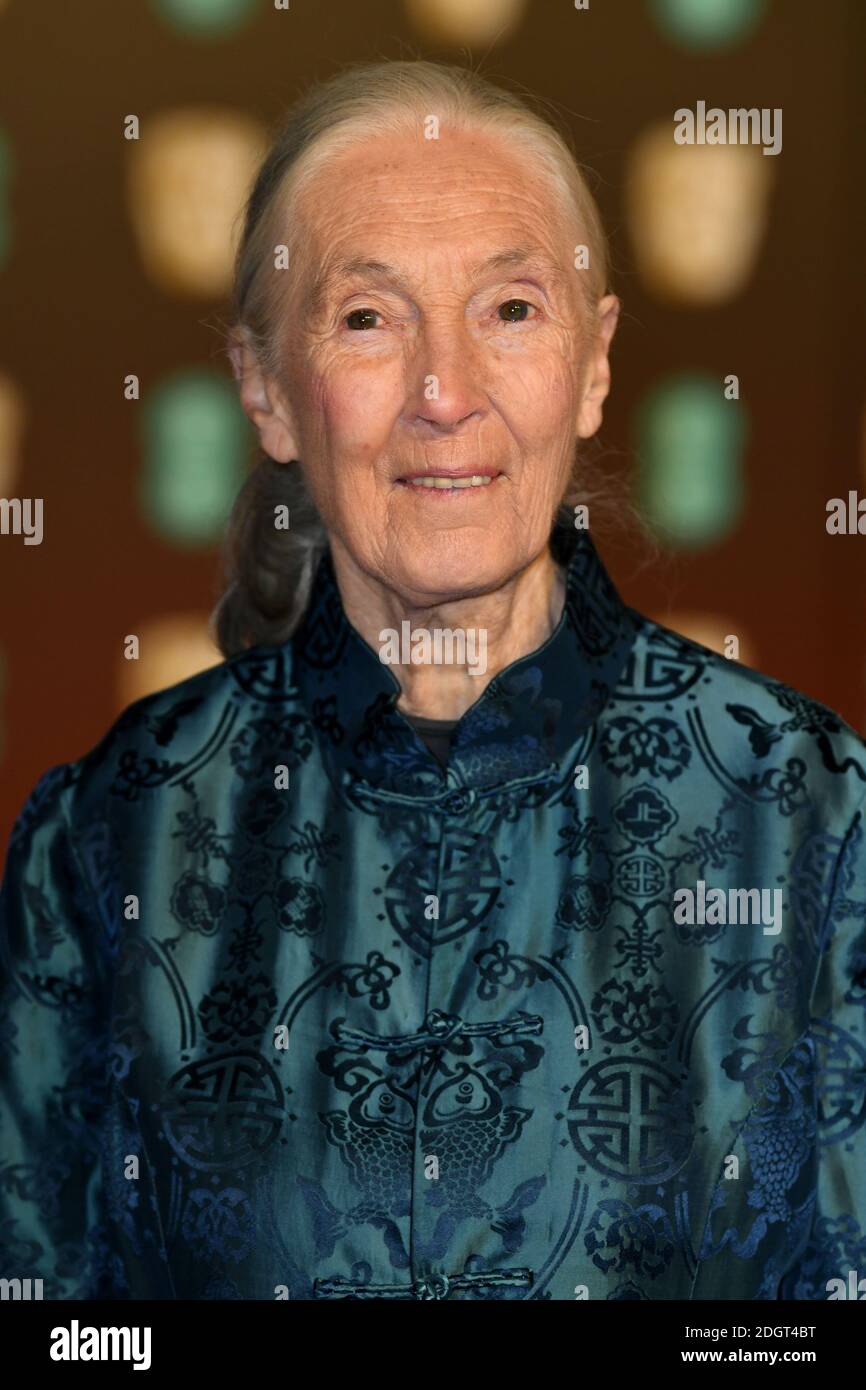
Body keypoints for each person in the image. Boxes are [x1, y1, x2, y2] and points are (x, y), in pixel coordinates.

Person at [1, 59, 864, 1302]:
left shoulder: (806, 817)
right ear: (264, 389)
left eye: (509, 308)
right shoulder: (110, 836)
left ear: (594, 362)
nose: (443, 394)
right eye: (368, 318)